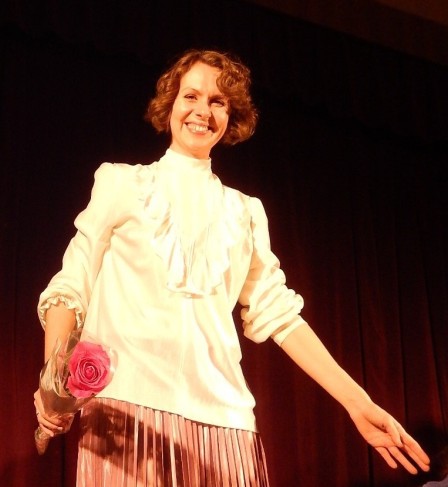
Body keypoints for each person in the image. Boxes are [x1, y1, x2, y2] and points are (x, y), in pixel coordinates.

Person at [34, 49, 430, 486]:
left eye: (218, 102)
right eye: (191, 96)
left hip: (224, 420)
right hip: (127, 411)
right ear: (170, 104)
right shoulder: (121, 183)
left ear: (231, 116)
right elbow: (71, 284)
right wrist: (55, 380)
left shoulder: (244, 212)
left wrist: (358, 402)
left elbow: (280, 315)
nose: (202, 111)